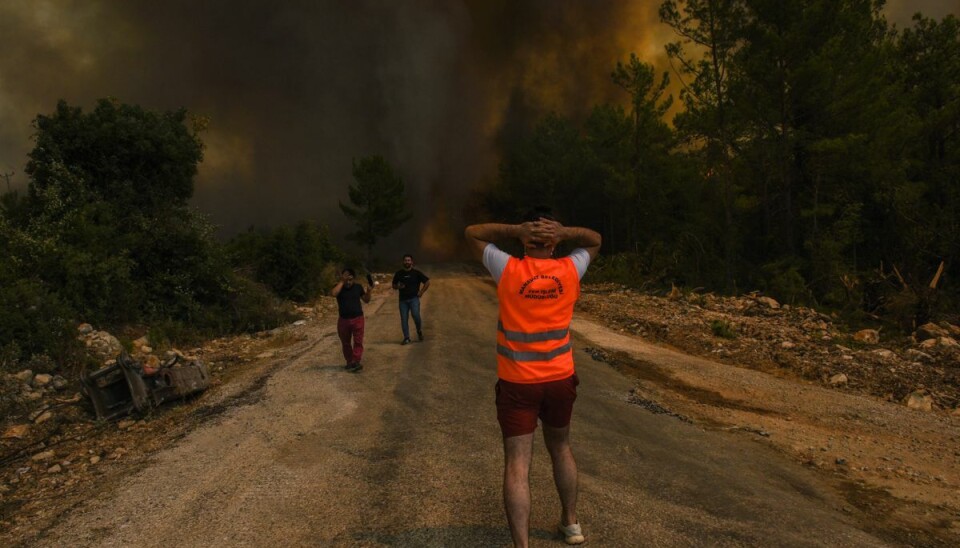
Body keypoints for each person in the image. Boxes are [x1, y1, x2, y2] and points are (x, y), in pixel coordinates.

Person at [465, 210, 601, 548]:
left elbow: (472, 233)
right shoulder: (571, 268)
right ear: (554, 245)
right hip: (559, 379)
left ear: (525, 242)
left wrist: (514, 230)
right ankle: (570, 524)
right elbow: (595, 239)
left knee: (517, 463)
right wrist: (565, 231)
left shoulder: (508, 268)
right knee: (561, 448)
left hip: (517, 382)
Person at [331, 268, 373, 372]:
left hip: (358, 318)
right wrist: (342, 281)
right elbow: (333, 293)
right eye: (345, 277)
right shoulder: (339, 287)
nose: (348, 281)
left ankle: (356, 361)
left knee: (358, 341)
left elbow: (366, 300)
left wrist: (369, 291)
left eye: (350, 278)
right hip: (343, 320)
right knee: (345, 343)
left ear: (353, 278)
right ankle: (349, 362)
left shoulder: (358, 287)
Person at [391, 254, 430, 344]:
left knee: (416, 316)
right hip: (402, 300)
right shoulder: (399, 273)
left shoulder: (416, 273)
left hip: (414, 299)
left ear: (412, 262)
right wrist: (398, 286)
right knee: (404, 319)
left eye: (409, 260)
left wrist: (421, 292)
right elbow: (393, 285)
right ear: (403, 262)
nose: (407, 262)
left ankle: (419, 330)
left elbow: (427, 282)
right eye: (405, 260)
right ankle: (406, 338)